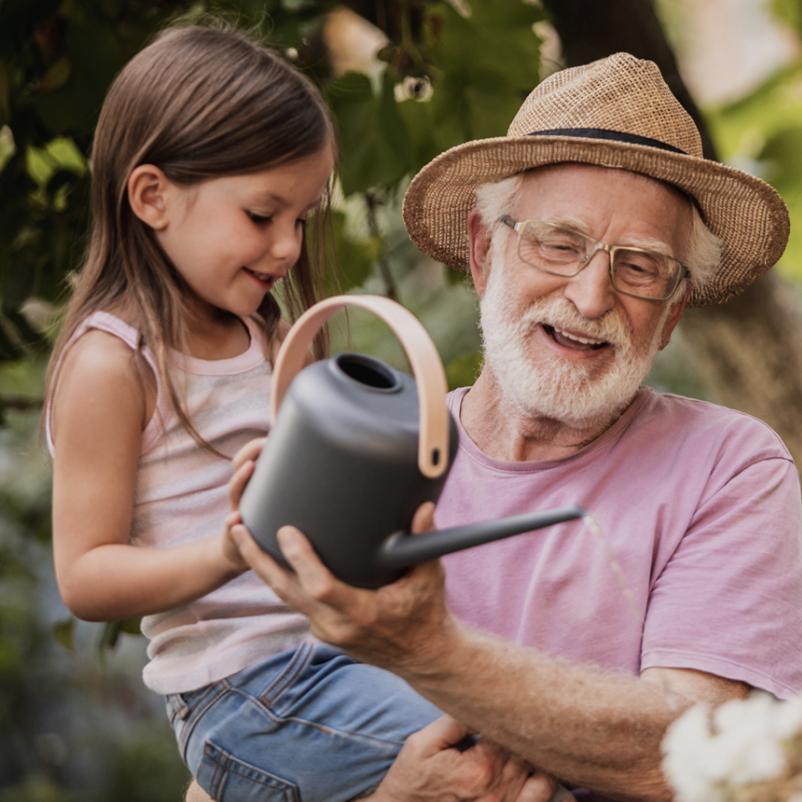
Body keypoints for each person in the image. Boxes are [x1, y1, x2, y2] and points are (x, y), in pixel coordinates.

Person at [231, 52, 802, 802]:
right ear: (481, 250)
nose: (591, 295)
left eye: (640, 268)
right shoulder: (360, 450)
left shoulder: (730, 466)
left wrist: (430, 650)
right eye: (558, 244)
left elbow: (693, 752)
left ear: (673, 314)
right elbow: (233, 749)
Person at [45, 20, 548, 802]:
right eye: (261, 215)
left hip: (334, 654)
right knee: (502, 758)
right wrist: (230, 548)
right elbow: (84, 577)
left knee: (528, 735)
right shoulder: (112, 364)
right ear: (152, 197)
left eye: (302, 219)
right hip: (248, 694)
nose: (286, 246)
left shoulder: (269, 327)